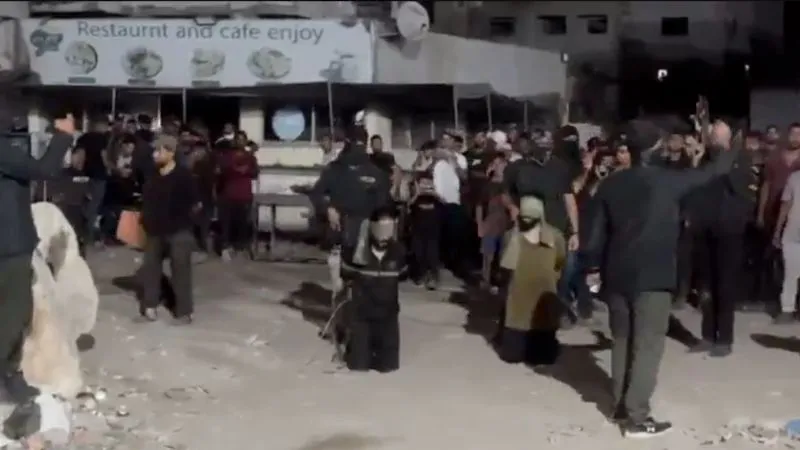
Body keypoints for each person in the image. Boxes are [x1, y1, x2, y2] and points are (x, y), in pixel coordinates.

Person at [585, 120, 739, 438]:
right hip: (653, 275)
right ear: (652, 149)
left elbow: (593, 238)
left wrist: (593, 272)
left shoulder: (611, 184)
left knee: (623, 341)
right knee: (648, 345)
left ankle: (620, 406)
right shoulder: (667, 181)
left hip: (616, 274)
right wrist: (726, 145)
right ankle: (637, 417)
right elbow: (713, 172)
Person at [0, 109, 74, 404]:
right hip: (8, 246)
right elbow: (45, 170)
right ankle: (8, 375)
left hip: (11, 243)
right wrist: (63, 136)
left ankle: (10, 374)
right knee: (15, 313)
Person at [497, 196, 565, 365]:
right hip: (544, 302)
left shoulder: (512, 237)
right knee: (541, 353)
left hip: (519, 303)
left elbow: (505, 268)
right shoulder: (556, 236)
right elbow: (560, 263)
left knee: (512, 355)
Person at [139, 135, 199, 325]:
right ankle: (150, 306)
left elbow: (196, 203)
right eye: (154, 151)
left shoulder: (184, 176)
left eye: (159, 151)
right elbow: (147, 201)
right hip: (154, 231)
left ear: (170, 152)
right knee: (151, 268)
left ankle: (184, 312)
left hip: (179, 230)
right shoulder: (152, 176)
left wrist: (185, 222)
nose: (154, 155)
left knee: (181, 270)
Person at [340, 206, 405, 372]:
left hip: (388, 317)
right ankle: (353, 344)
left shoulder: (399, 253)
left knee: (389, 367)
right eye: (381, 227)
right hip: (363, 315)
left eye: (389, 227)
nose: (385, 233)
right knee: (359, 366)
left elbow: (404, 274)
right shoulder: (356, 253)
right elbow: (344, 275)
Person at [217, 131, 258, 261]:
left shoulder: (250, 157)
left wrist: (247, 167)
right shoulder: (227, 156)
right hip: (228, 194)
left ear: (245, 141)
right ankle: (226, 248)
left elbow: (255, 172)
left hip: (244, 195)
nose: (240, 142)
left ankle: (241, 248)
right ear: (234, 141)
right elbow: (224, 171)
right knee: (227, 224)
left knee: (243, 224)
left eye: (242, 139)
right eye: (238, 139)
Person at [46, 147, 91, 256]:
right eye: (79, 156)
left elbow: (88, 195)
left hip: (77, 210)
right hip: (65, 208)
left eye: (83, 157)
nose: (81, 159)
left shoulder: (83, 175)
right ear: (72, 156)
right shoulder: (61, 174)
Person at [74, 119, 112, 245]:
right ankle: (89, 235)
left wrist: (78, 170)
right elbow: (103, 155)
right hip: (99, 175)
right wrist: (108, 168)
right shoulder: (101, 138)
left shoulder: (83, 138)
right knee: (94, 205)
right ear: (101, 125)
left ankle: (80, 233)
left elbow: (78, 155)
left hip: (84, 175)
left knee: (83, 203)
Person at [477, 152, 509, 291]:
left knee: (504, 256)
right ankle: (485, 281)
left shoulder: (510, 184)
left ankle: (501, 283)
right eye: (494, 164)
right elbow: (479, 206)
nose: (497, 167)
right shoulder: (487, 185)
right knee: (487, 255)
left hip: (506, 225)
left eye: (499, 164)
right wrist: (480, 225)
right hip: (490, 224)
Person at [408, 171, 442, 290]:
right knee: (419, 253)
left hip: (432, 231)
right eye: (423, 183)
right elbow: (408, 206)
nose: (426, 187)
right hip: (418, 231)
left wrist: (435, 193)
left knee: (432, 255)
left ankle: (433, 277)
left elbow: (444, 204)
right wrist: (417, 193)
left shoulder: (435, 199)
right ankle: (421, 276)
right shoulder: (416, 198)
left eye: (428, 183)